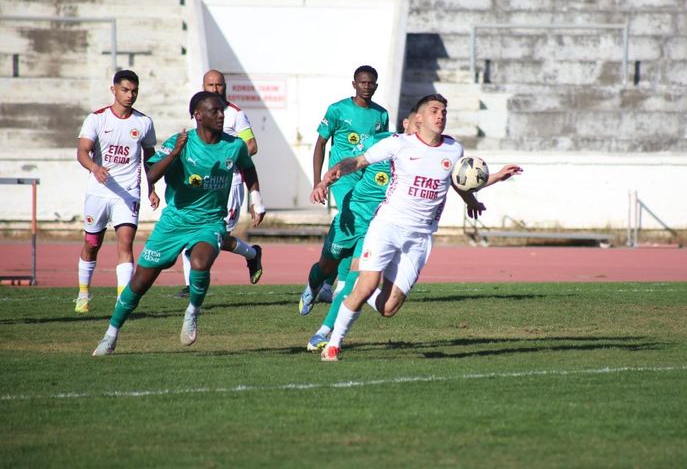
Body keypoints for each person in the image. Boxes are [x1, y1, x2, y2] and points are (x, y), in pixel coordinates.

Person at [309, 94, 522, 361]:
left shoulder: (453, 149)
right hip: (387, 226)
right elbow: (360, 161)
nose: (441, 115)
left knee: (388, 308)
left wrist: (485, 187)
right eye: (435, 111)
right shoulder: (399, 144)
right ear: (419, 118)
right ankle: (333, 345)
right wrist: (332, 175)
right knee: (365, 286)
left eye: (444, 111)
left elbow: (457, 181)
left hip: (420, 238)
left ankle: (355, 290)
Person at [92, 91, 266, 356]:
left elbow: (248, 167)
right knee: (139, 283)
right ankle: (111, 334)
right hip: (174, 222)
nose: (221, 115)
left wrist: (255, 198)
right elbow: (151, 175)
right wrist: (175, 153)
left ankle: (192, 311)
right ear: (197, 115)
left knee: (200, 263)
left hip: (209, 221)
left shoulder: (234, 145)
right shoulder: (180, 142)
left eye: (222, 111)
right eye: (214, 111)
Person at [301, 65, 389, 314]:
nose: (367, 87)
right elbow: (320, 143)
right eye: (363, 82)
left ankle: (328, 281)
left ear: (376, 86)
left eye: (371, 83)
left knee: (357, 229)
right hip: (341, 178)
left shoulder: (381, 115)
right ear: (354, 84)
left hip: (366, 179)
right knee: (350, 215)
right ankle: (328, 283)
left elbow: (381, 151)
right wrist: (319, 181)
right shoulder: (338, 110)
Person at [74, 69, 159, 314]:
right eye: (125, 90)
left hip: (129, 193)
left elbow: (149, 158)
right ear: (114, 90)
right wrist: (94, 167)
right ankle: (83, 293)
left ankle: (122, 302)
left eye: (134, 91)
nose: (130, 95)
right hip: (99, 192)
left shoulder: (144, 123)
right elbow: (82, 152)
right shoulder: (97, 119)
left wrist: (152, 188)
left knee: (126, 244)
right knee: (92, 244)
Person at [176, 70, 263, 298]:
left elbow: (251, 146)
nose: (215, 89)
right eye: (210, 85)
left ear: (226, 87)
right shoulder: (200, 112)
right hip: (201, 184)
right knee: (196, 232)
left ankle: (252, 255)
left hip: (228, 182)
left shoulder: (234, 114)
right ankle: (190, 285)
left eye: (219, 85)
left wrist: (225, 156)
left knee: (216, 236)